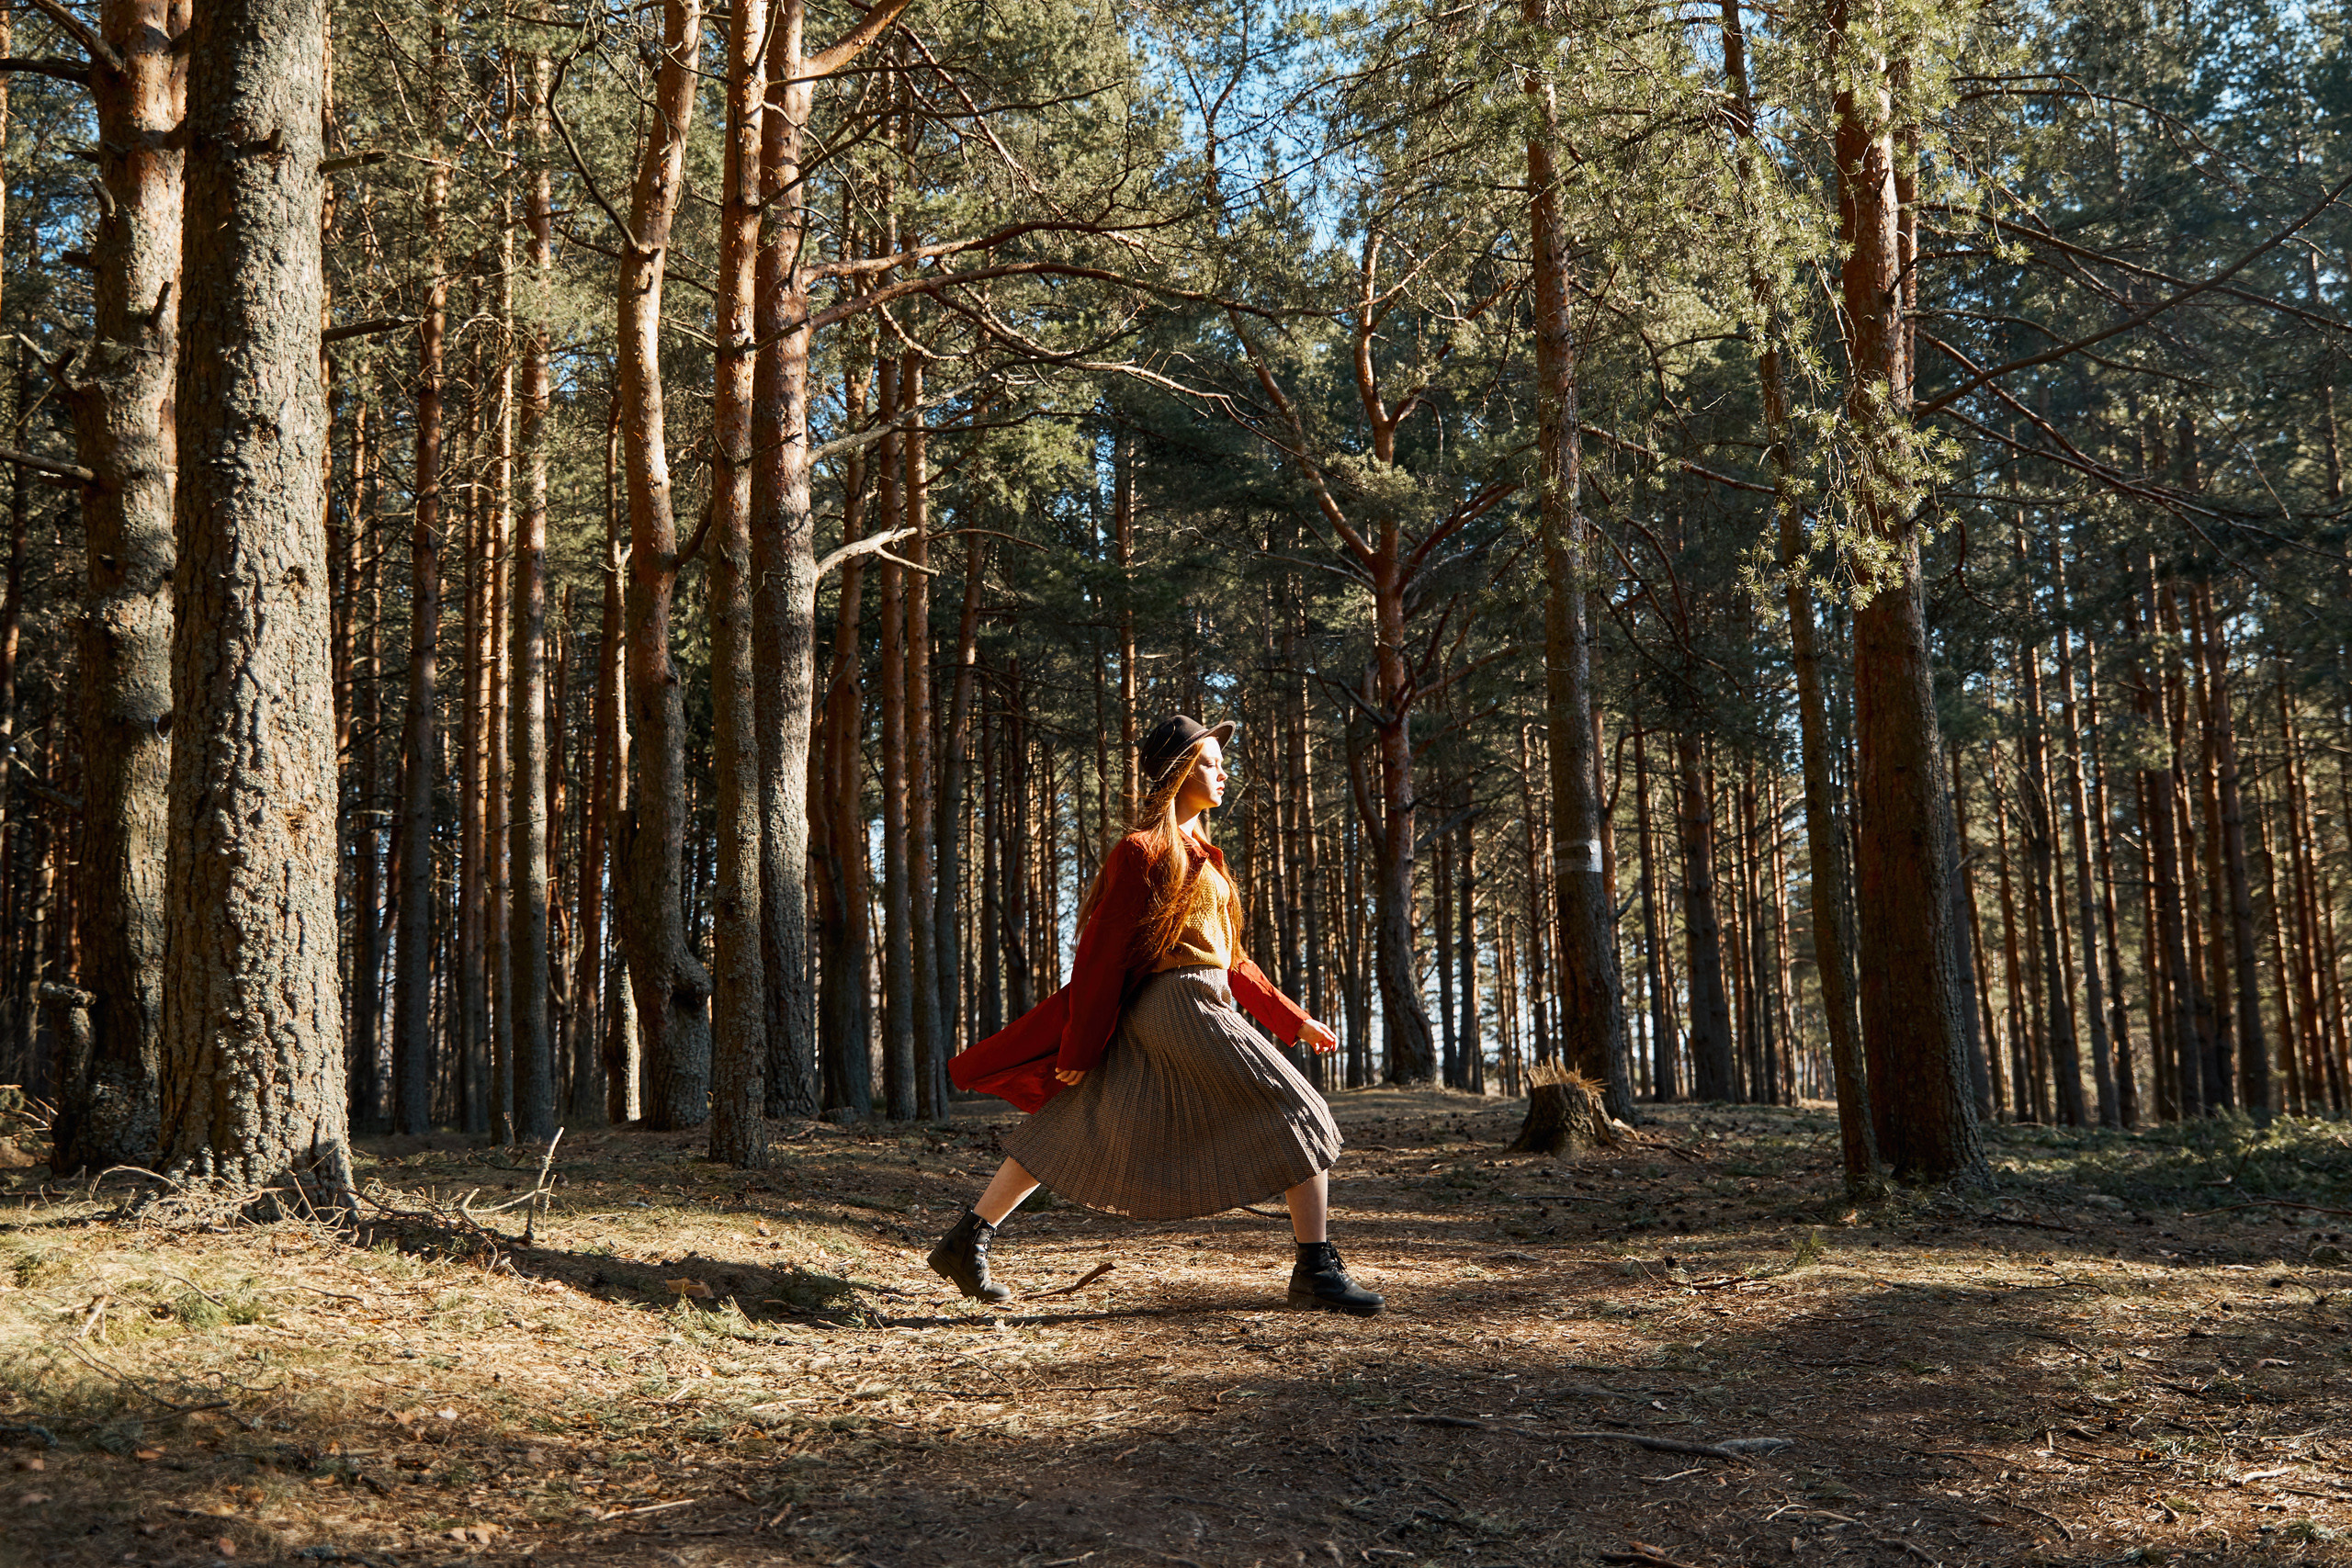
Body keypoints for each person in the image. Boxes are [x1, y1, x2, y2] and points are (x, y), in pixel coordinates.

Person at [931, 714, 1382, 1315]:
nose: (1224, 774)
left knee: (1073, 1121)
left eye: (1223, 764)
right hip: (1178, 1005)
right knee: (1298, 1107)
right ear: (1178, 773)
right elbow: (1100, 957)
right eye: (1210, 764)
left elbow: (1235, 959)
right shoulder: (1142, 851)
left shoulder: (1208, 857)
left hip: (1199, 999)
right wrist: (1079, 1048)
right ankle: (1316, 1269)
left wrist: (1290, 1018)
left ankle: (967, 1240)